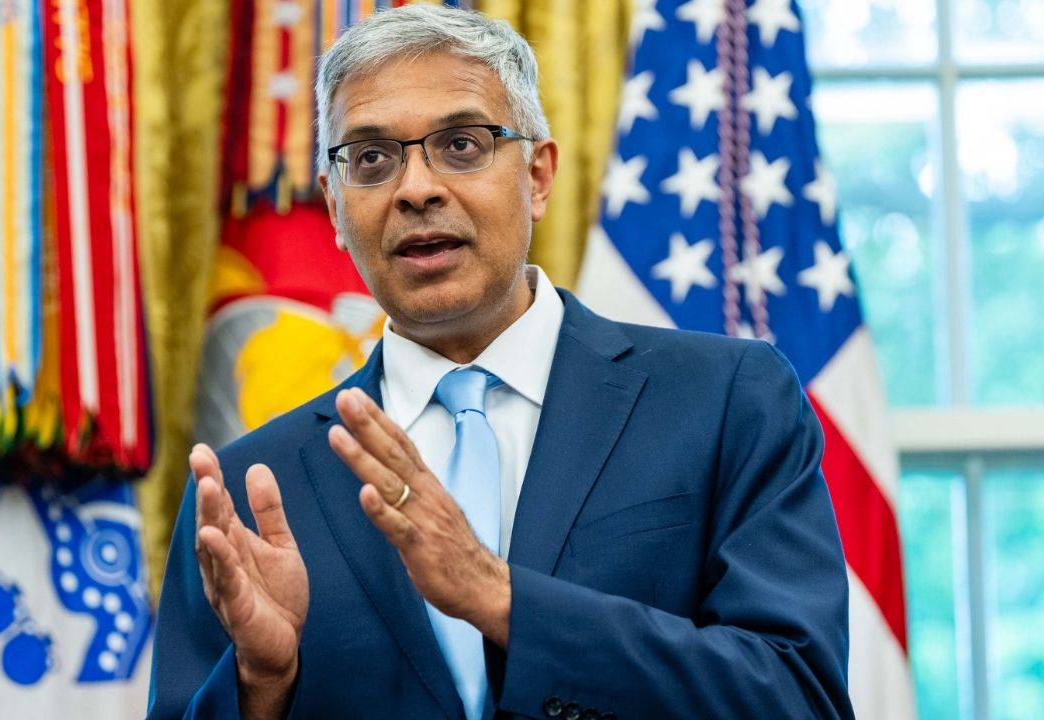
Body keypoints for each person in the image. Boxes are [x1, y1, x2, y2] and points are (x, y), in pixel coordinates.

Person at [148, 5, 853, 719]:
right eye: (371, 160)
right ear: (335, 205)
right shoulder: (247, 487)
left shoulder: (725, 400)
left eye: (460, 144)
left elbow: (800, 695)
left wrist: (501, 598)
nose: (415, 188)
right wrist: (262, 686)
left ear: (538, 175)